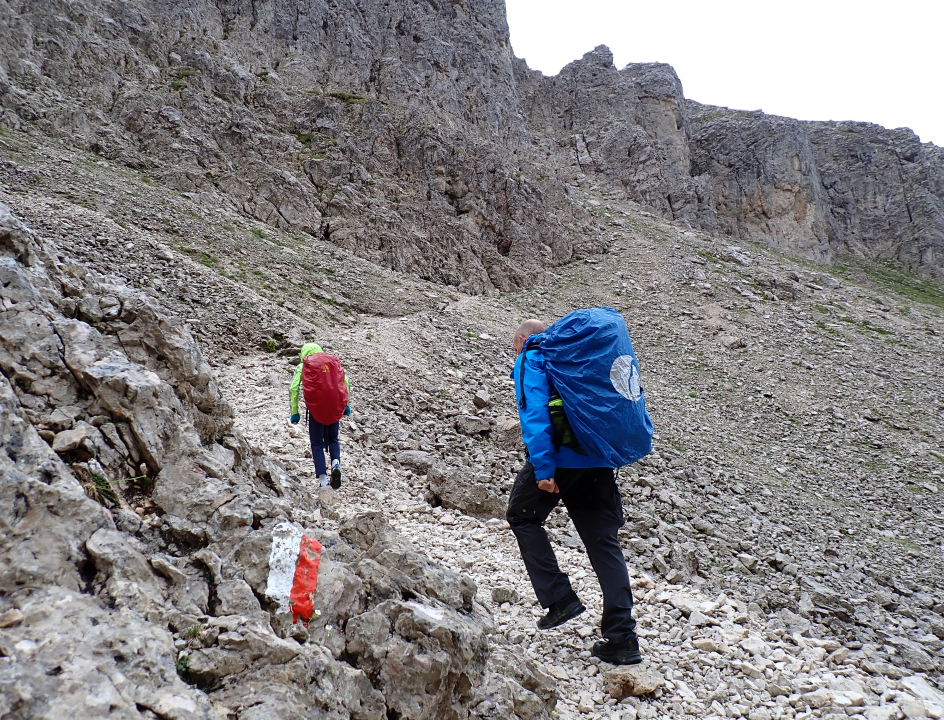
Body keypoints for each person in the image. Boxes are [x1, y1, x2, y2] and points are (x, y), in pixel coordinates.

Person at [506, 319, 642, 665]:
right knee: (603, 543)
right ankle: (622, 639)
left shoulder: (533, 356)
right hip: (597, 459)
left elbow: (534, 414)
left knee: (522, 516)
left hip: (562, 461)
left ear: (522, 339)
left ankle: (560, 598)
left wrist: (544, 471)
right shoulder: (578, 359)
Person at [289, 342, 349, 488]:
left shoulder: (303, 366)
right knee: (333, 438)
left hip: (316, 410)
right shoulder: (332, 363)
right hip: (334, 407)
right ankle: (336, 463)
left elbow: (293, 388)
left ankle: (323, 480)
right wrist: (345, 406)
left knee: (317, 443)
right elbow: (344, 381)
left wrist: (295, 413)